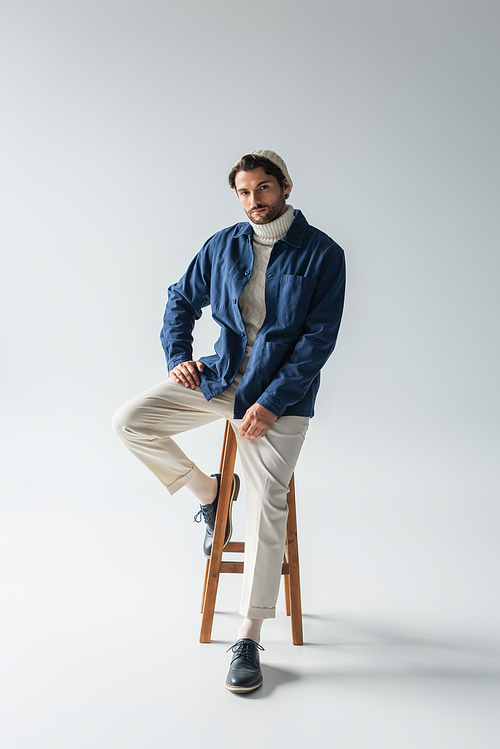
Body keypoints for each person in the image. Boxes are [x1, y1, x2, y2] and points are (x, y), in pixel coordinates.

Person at [112, 149, 346, 693]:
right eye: (243, 191)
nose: (253, 201)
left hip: (279, 397)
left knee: (268, 500)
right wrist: (179, 357)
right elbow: (180, 299)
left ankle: (249, 634)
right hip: (220, 380)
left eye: (263, 188)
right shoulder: (224, 244)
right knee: (131, 420)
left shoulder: (322, 253)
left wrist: (271, 401)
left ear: (285, 186)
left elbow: (317, 341)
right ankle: (210, 493)